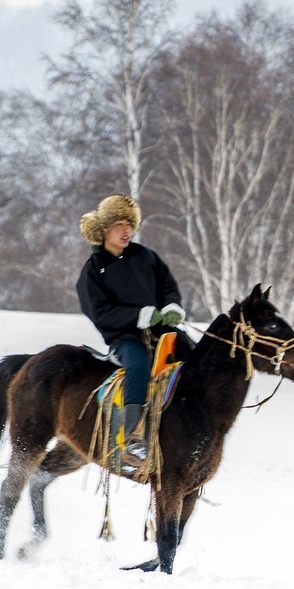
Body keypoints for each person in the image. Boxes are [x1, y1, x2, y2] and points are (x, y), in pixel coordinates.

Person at [75, 194, 184, 461]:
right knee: (138, 366)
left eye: (129, 224)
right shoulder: (92, 271)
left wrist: (171, 307)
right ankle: (134, 436)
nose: (126, 230)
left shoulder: (146, 257)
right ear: (104, 229)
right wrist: (140, 317)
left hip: (162, 334)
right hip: (125, 339)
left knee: (196, 357)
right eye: (119, 224)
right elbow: (99, 313)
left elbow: (168, 286)